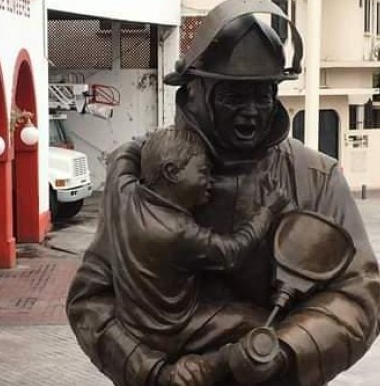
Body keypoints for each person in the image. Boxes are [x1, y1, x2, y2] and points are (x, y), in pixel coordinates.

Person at [66, 0, 380, 386]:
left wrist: (284, 349)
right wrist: (150, 369)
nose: (253, 110)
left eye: (263, 93)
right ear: (195, 90)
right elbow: (90, 299)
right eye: (235, 94)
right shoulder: (149, 175)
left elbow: (359, 297)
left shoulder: (316, 177)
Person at [105, 127, 286, 370]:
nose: (210, 182)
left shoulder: (123, 193)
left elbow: (122, 153)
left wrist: (154, 143)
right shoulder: (177, 231)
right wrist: (267, 211)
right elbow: (232, 252)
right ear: (171, 171)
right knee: (258, 322)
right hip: (167, 330)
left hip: (131, 323)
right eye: (203, 172)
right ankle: (212, 369)